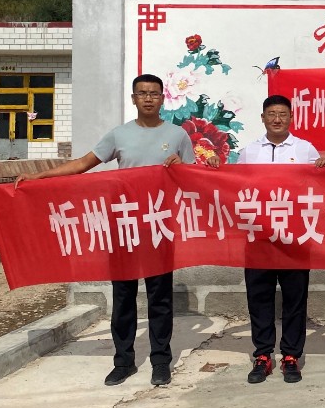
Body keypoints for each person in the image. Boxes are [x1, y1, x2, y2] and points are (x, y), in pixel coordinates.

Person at [15, 74, 212, 386]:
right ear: (133, 99)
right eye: (142, 93)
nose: (148, 98)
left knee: (160, 298)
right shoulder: (119, 135)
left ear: (163, 99)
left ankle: (161, 361)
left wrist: (182, 167)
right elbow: (83, 164)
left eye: (154, 93)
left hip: (159, 226)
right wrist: (40, 177)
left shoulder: (177, 135)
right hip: (124, 226)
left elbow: (193, 178)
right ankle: (124, 361)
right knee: (123, 297)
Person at [239, 95, 325, 384]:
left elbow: (319, 185)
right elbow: (234, 186)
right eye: (271, 114)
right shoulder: (249, 151)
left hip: (295, 236)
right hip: (258, 236)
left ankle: (291, 355)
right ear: (263, 118)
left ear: (291, 118)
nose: (277, 119)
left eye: (282, 114)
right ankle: (263, 355)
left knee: (295, 298)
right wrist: (216, 166)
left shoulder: (304, 149)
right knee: (259, 297)